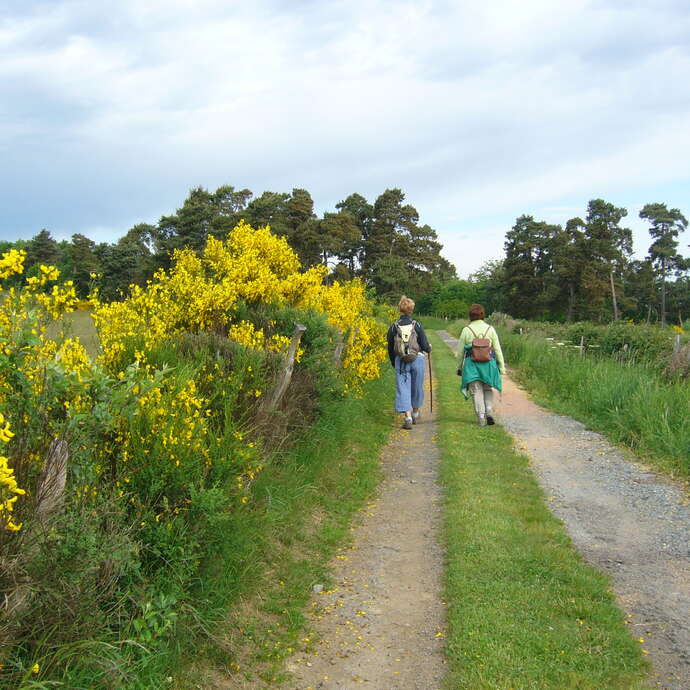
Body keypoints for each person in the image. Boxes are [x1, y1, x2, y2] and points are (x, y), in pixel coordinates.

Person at [387, 296, 432, 429]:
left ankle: (407, 417)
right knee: (417, 386)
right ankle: (416, 413)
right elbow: (423, 345)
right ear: (411, 309)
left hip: (401, 361)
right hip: (417, 358)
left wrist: (394, 362)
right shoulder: (416, 325)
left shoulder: (393, 327)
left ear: (400, 309)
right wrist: (429, 348)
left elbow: (390, 347)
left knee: (403, 388)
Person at [457, 304, 505, 426]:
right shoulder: (490, 329)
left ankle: (481, 416)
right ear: (482, 315)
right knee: (488, 388)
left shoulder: (466, 330)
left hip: (472, 365)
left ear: (470, 316)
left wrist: (459, 367)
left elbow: (460, 352)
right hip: (489, 365)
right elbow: (498, 349)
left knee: (476, 390)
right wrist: (501, 367)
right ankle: (489, 410)